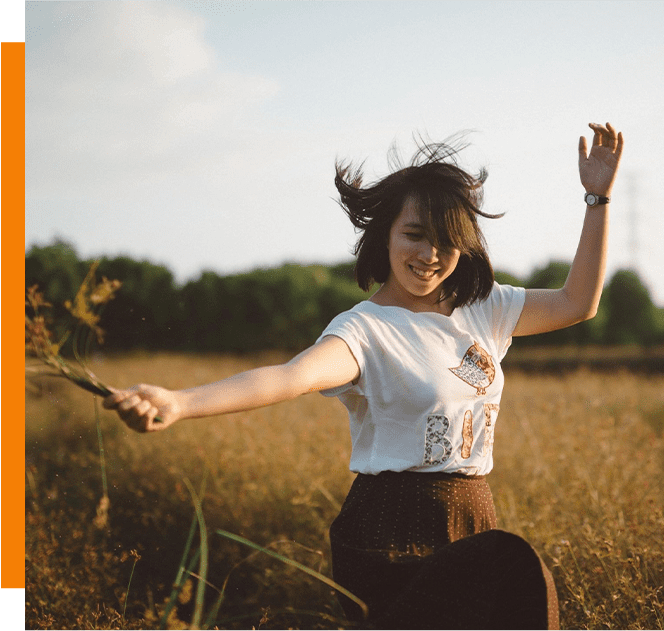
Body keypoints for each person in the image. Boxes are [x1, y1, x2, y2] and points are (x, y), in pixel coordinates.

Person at [104, 122, 623, 630]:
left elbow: (578, 302)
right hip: (390, 528)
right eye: (414, 235)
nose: (429, 255)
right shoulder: (365, 329)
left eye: (446, 241)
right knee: (517, 569)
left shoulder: (485, 308)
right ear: (386, 234)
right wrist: (178, 401)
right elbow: (288, 378)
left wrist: (597, 200)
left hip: (472, 516)